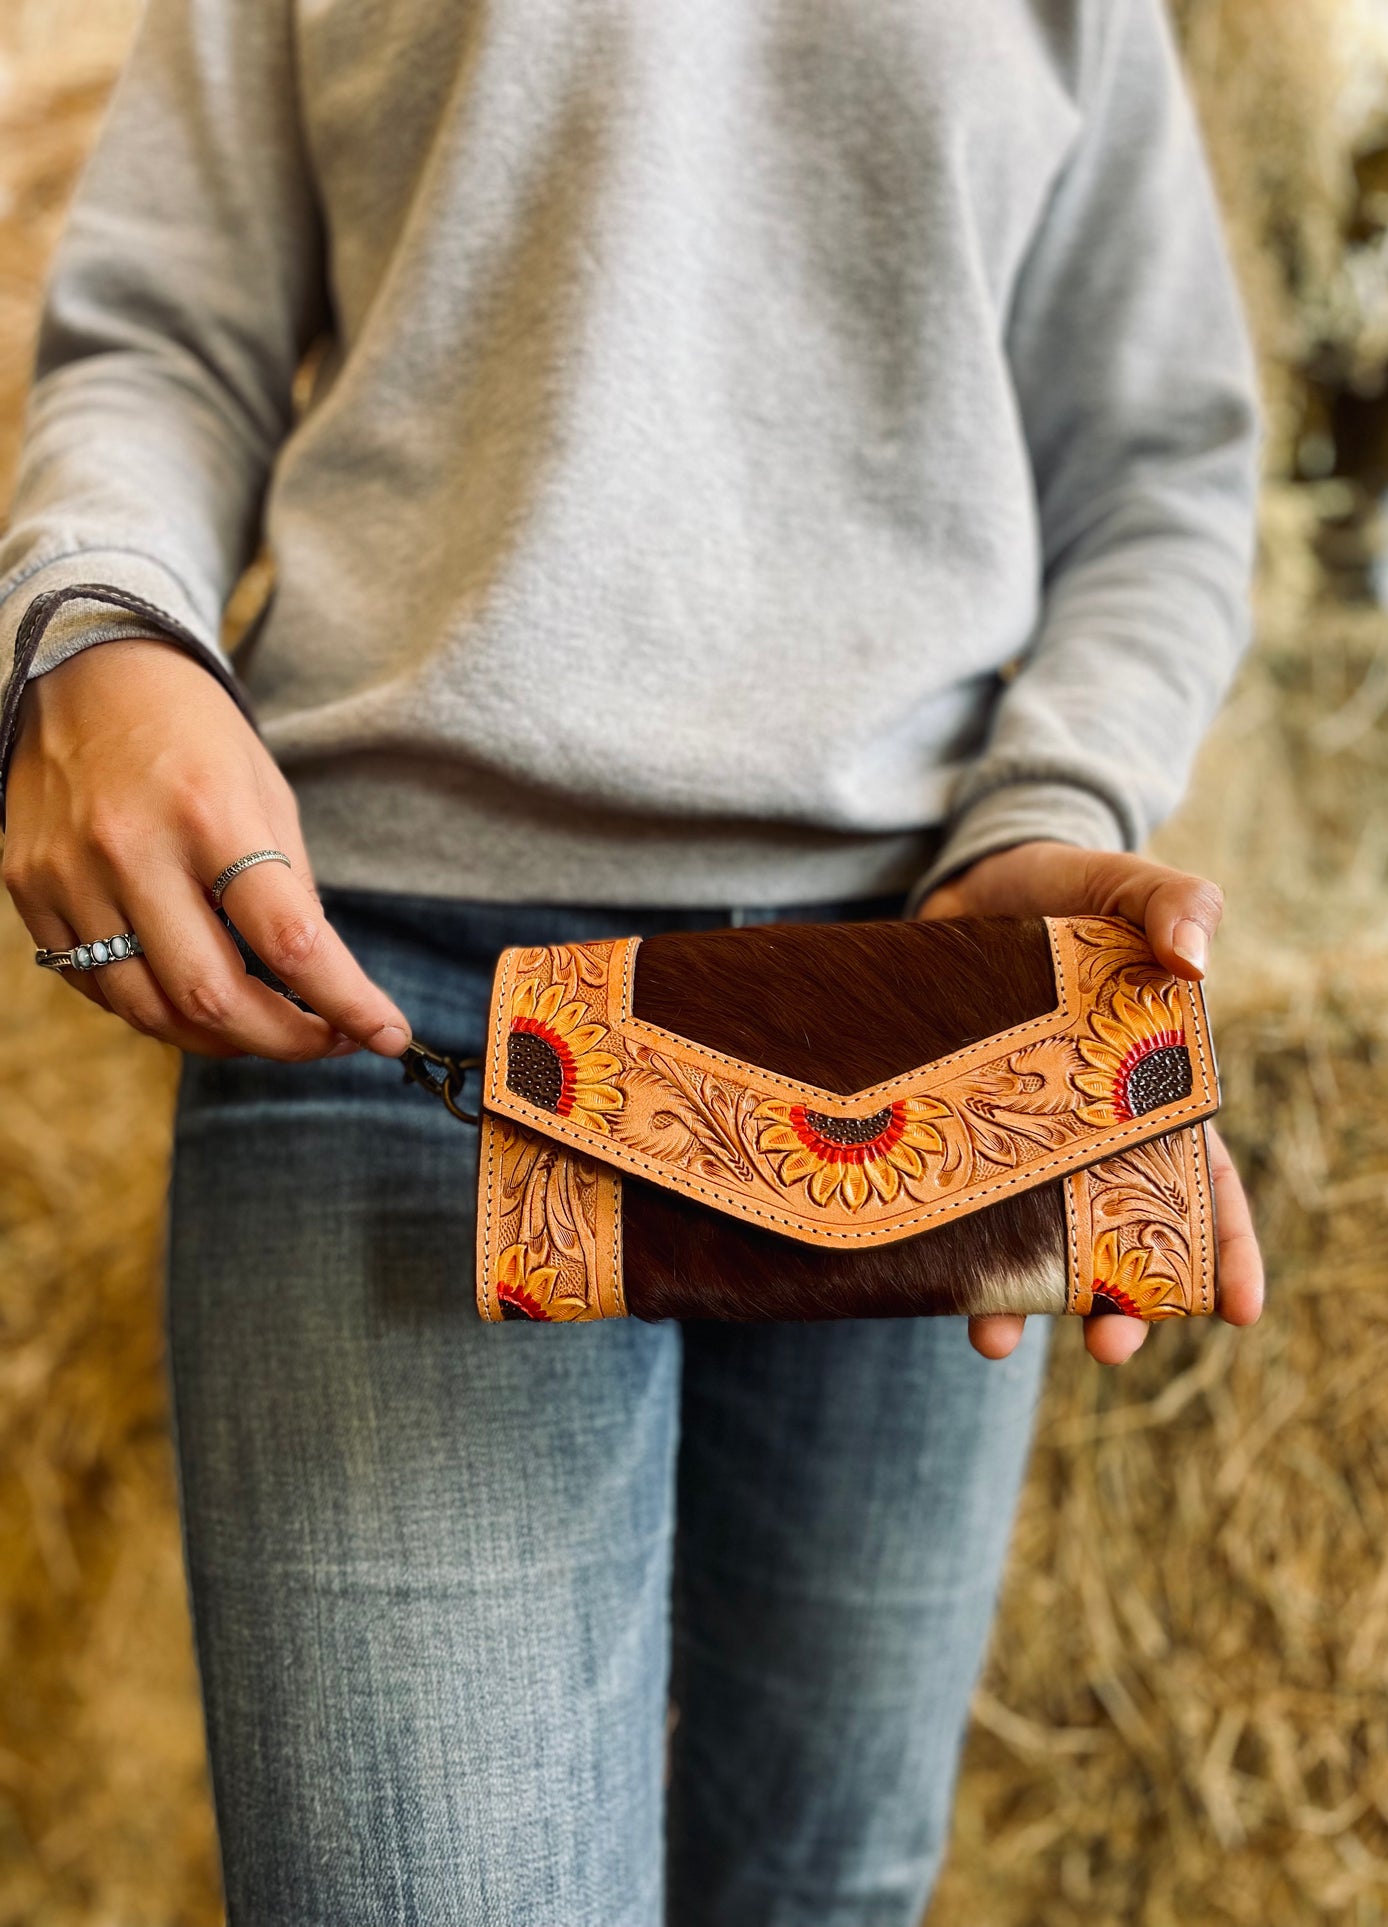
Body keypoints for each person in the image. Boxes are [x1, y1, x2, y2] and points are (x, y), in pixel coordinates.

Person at [0, 0, 1265, 1920]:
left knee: (824, 1886)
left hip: (940, 1023)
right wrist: (100, 629)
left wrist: (1045, 808)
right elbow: (166, 341)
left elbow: (1158, 473)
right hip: (395, 1010)